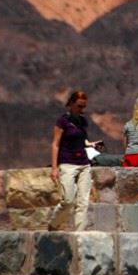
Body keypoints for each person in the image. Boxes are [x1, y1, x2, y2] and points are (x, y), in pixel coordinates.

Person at [49, 90, 100, 231]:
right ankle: (54, 224)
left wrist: (89, 144)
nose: (81, 109)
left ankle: (79, 234)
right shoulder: (63, 121)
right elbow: (55, 144)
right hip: (67, 163)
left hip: (83, 163)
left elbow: (81, 138)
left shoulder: (83, 121)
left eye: (84, 106)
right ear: (71, 104)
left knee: (83, 202)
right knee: (68, 200)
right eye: (79, 106)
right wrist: (54, 168)